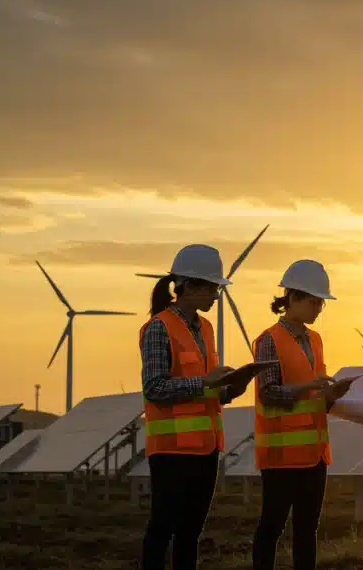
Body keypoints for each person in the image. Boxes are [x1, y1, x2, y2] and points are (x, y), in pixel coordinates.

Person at [139, 244, 251, 570]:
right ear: (189, 286)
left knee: (190, 535)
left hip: (206, 447)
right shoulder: (159, 328)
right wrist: (205, 383)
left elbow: (206, 389)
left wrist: (231, 388)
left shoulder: (205, 329)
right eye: (213, 287)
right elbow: (154, 388)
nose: (217, 296)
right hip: (171, 450)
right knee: (162, 530)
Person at [251, 259, 352, 570]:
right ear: (292, 298)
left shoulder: (315, 340)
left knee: (307, 532)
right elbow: (268, 394)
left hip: (315, 455)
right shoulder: (268, 341)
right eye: (314, 301)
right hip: (281, 456)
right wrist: (308, 385)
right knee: (272, 528)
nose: (319, 308)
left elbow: (314, 395)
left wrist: (332, 394)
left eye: (321, 302)